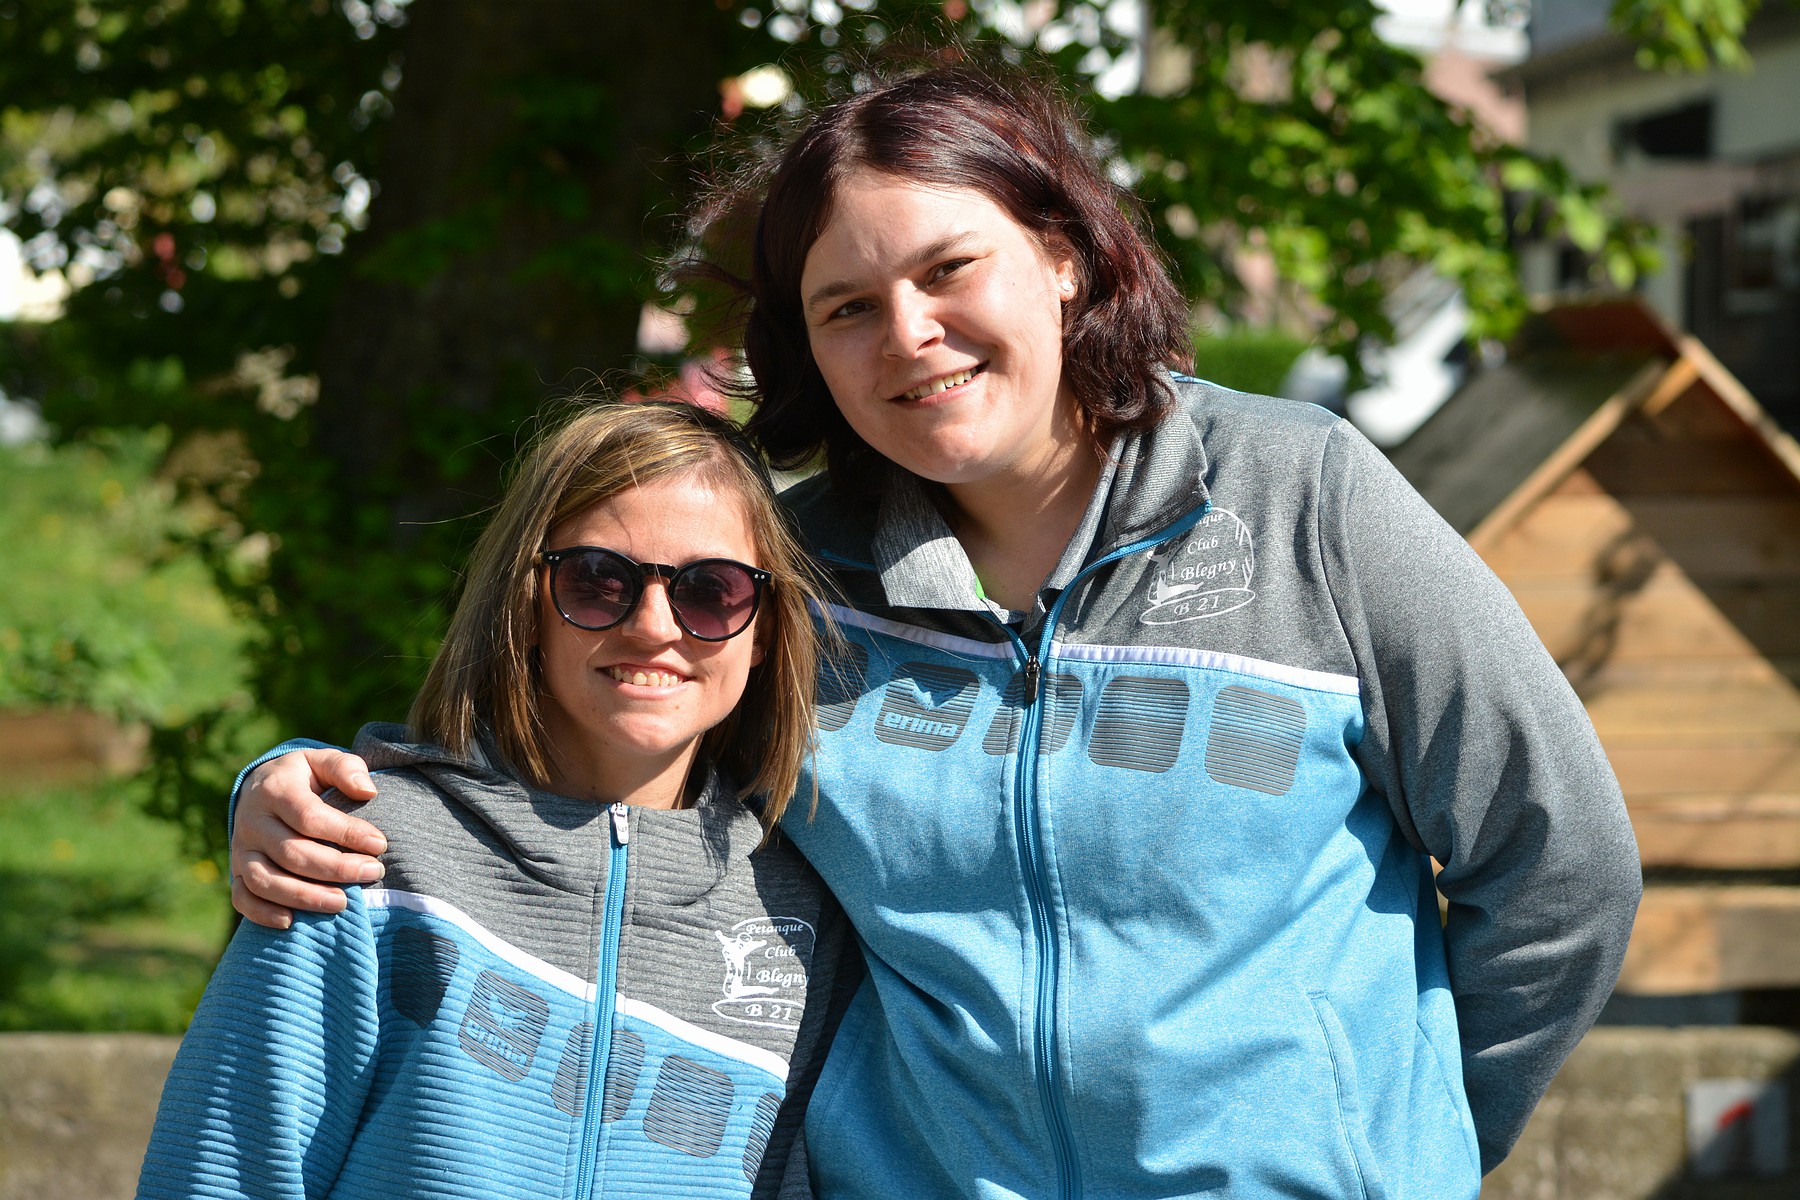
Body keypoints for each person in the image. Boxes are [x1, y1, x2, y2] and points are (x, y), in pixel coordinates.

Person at [222, 60, 1641, 1199]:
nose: (908, 332)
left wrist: (1401, 1145)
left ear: (1065, 258)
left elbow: (1559, 861)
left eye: (950, 269)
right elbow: (584, 773)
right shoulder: (785, 578)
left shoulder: (1298, 496)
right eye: (848, 308)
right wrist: (294, 797)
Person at [139, 400, 850, 1200]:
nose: (654, 625)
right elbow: (222, 1175)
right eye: (597, 580)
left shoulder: (801, 919)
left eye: (712, 591)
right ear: (528, 601)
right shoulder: (362, 854)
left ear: (765, 630)